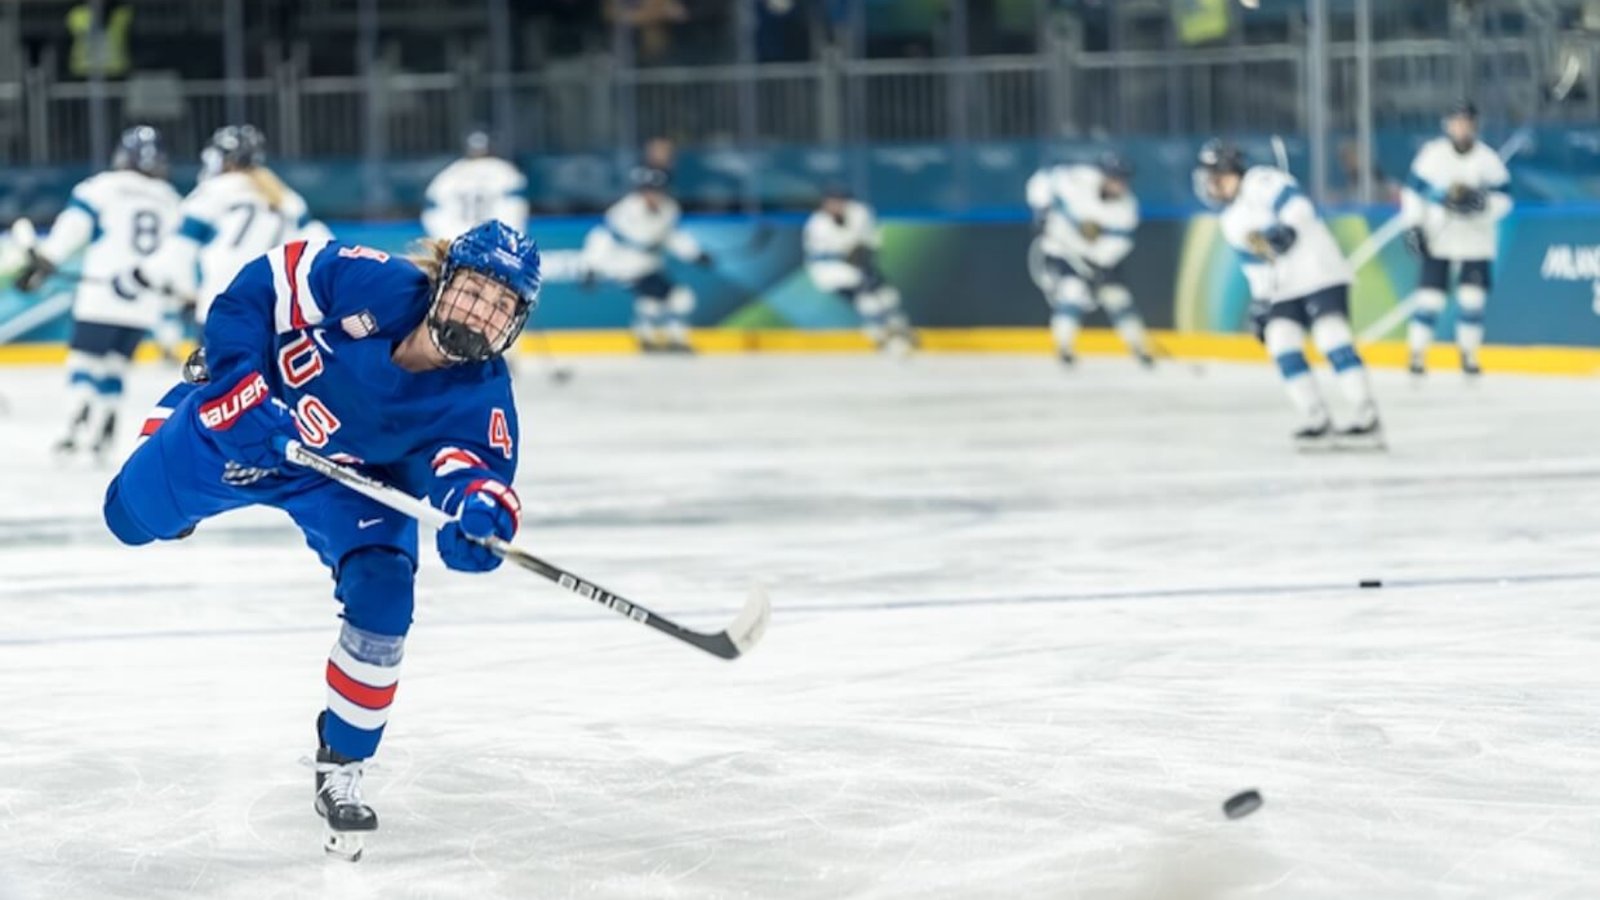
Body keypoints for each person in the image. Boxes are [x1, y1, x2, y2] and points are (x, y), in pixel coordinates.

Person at [100, 221, 541, 861]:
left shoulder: (483, 400)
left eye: (503, 306)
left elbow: (473, 476)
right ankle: (184, 405)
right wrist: (233, 382)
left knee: (387, 594)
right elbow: (260, 286)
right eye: (476, 291)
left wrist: (479, 517)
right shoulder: (373, 282)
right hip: (250, 429)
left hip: (346, 482)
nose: (483, 314)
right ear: (444, 279)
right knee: (128, 519)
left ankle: (342, 766)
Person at [1193, 140, 1383, 449]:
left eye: (1216, 175)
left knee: (1331, 338)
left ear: (1231, 171)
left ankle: (1368, 417)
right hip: (1281, 287)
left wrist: (1289, 228)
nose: (1212, 184)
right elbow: (1256, 267)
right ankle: (1316, 419)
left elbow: (1298, 206)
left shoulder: (1261, 181)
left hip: (1318, 271)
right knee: (1281, 344)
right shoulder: (1230, 221)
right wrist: (1260, 303)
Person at [13, 125, 182, 459]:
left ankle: (75, 424)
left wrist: (45, 261)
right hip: (144, 298)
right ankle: (105, 425)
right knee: (115, 366)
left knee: (84, 361)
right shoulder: (171, 199)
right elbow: (177, 253)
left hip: (103, 294)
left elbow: (72, 230)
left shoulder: (103, 187)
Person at [124, 124, 331, 327]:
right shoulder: (287, 198)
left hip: (223, 306)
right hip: (272, 312)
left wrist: (143, 277)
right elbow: (323, 248)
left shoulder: (215, 190)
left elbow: (180, 249)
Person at [1399, 100, 1512, 377]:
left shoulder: (1488, 159)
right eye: (1456, 121)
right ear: (1447, 125)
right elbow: (1413, 193)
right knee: (1429, 299)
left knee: (1472, 299)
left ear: (1474, 125)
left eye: (1466, 121)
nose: (1461, 127)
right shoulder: (1432, 155)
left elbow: (1505, 199)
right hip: (1439, 238)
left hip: (1476, 239)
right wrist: (1414, 226)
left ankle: (1469, 354)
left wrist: (1482, 204)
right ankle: (1417, 353)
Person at [1024, 152, 1153, 367]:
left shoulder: (1127, 210)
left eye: (1122, 179)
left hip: (1099, 262)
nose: (1117, 184)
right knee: (1072, 292)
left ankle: (1139, 346)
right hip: (1065, 252)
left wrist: (1100, 265)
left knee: (1118, 298)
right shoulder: (1077, 179)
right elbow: (1043, 180)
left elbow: (1120, 244)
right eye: (1113, 177)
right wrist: (1041, 209)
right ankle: (1063, 347)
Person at [581, 166, 711, 353]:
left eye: (657, 191)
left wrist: (695, 254)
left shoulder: (669, 210)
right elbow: (602, 237)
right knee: (674, 299)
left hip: (651, 266)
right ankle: (664, 336)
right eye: (648, 190)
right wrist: (591, 266)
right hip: (624, 267)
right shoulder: (623, 212)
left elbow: (672, 237)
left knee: (668, 301)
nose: (653, 195)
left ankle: (655, 336)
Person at [803, 185, 913, 355]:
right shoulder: (817, 224)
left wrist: (865, 252)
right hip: (830, 271)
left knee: (887, 294)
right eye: (831, 201)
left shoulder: (859, 212)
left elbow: (871, 240)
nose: (835, 205)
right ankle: (881, 336)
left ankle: (897, 329)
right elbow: (822, 255)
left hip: (859, 265)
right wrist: (848, 256)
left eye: (839, 201)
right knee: (865, 299)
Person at [421, 129, 529, 241]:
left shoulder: (452, 171)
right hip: (493, 237)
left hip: (458, 236)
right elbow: (516, 200)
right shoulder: (502, 169)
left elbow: (432, 203)